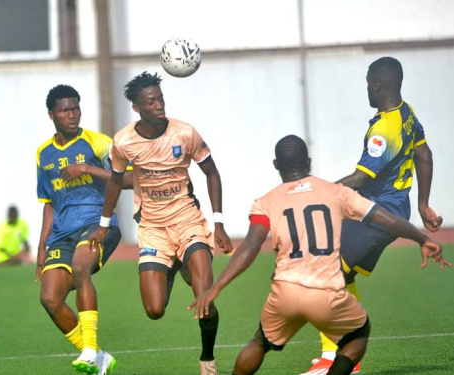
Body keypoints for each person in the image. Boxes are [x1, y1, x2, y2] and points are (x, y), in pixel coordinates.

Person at [188, 135, 448, 375]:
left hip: (285, 291)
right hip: (327, 293)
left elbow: (250, 247)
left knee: (260, 342)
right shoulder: (336, 192)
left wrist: (216, 287)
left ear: (276, 164)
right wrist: (422, 238)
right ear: (308, 162)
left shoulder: (265, 202)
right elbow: (387, 220)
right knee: (358, 335)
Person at [304, 56, 450, 374]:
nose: (366, 91)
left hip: (379, 213)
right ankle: (340, 355)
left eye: (367, 85)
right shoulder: (405, 113)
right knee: (335, 268)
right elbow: (424, 154)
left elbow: (359, 179)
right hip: (378, 208)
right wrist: (423, 203)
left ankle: (335, 358)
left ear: (376, 85)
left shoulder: (383, 131)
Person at [88, 71, 233, 375]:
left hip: (187, 220)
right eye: (151, 101)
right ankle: (174, 265)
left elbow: (212, 173)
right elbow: (116, 182)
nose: (159, 105)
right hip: (153, 229)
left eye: (161, 98)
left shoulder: (184, 133)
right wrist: (103, 224)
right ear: (137, 107)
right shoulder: (124, 141)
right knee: (154, 310)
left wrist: (218, 223)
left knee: (204, 296)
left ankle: (207, 358)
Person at [35, 84, 132, 375]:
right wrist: (42, 247)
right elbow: (49, 203)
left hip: (98, 224)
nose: (72, 115)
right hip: (62, 233)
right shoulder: (43, 154)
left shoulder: (98, 143)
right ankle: (100, 358)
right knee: (49, 299)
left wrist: (87, 169)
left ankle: (90, 349)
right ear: (52, 114)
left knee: (80, 268)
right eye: (65, 110)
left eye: (75, 108)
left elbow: (130, 179)